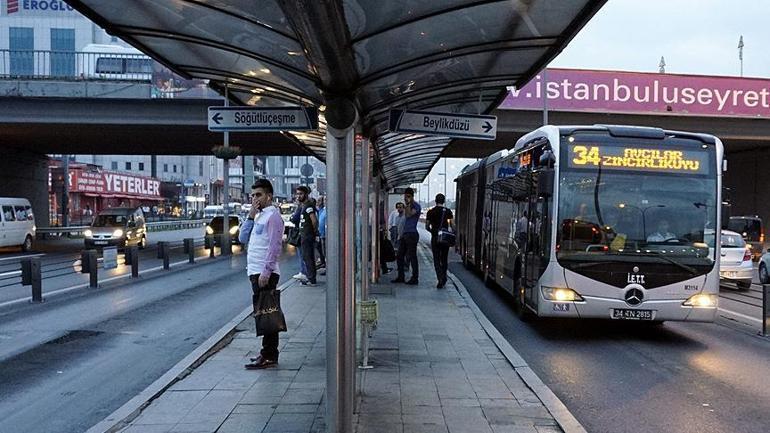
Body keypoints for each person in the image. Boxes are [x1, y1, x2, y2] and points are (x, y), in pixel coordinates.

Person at [239, 179, 285, 370]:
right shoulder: (259, 216)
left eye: (258, 195)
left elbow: (275, 246)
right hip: (255, 270)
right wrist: (250, 216)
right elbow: (242, 238)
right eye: (252, 195)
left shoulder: (273, 216)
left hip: (265, 273)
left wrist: (266, 271)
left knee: (268, 314)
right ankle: (266, 353)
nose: (255, 199)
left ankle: (269, 355)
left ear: (269, 196)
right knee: (262, 313)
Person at [392, 187, 421, 285]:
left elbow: (408, 215)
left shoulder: (416, 206)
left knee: (412, 256)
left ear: (412, 196)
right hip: (405, 234)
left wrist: (408, 204)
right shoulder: (406, 206)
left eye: (408, 197)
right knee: (400, 255)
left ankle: (415, 278)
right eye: (405, 197)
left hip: (412, 234)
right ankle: (401, 276)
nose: (406, 199)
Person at [425, 194, 454, 288]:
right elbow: (452, 225)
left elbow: (427, 226)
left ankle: (440, 278)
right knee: (444, 259)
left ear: (435, 200)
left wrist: (433, 232)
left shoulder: (431, 212)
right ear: (444, 201)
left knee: (436, 259)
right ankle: (444, 276)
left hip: (435, 238)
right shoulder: (448, 211)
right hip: (445, 238)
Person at [296, 186, 319, 286]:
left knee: (308, 257)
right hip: (304, 235)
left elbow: (314, 220)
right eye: (297, 194)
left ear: (305, 194)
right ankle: (310, 277)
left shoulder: (308, 206)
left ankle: (311, 279)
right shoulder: (303, 205)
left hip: (307, 236)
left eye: (300, 194)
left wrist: (312, 231)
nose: (298, 196)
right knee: (306, 257)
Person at [290, 200, 307, 281]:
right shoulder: (304, 207)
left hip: (301, 233)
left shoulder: (300, 208)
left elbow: (294, 219)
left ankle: (304, 272)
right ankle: (305, 272)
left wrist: (291, 217)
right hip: (304, 233)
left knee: (301, 254)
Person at [316, 196, 327, 270]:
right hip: (320, 234)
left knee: (325, 251)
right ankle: (324, 263)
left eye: (320, 201)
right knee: (322, 251)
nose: (318, 202)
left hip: (325, 235)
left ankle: (326, 266)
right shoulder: (320, 210)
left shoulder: (326, 210)